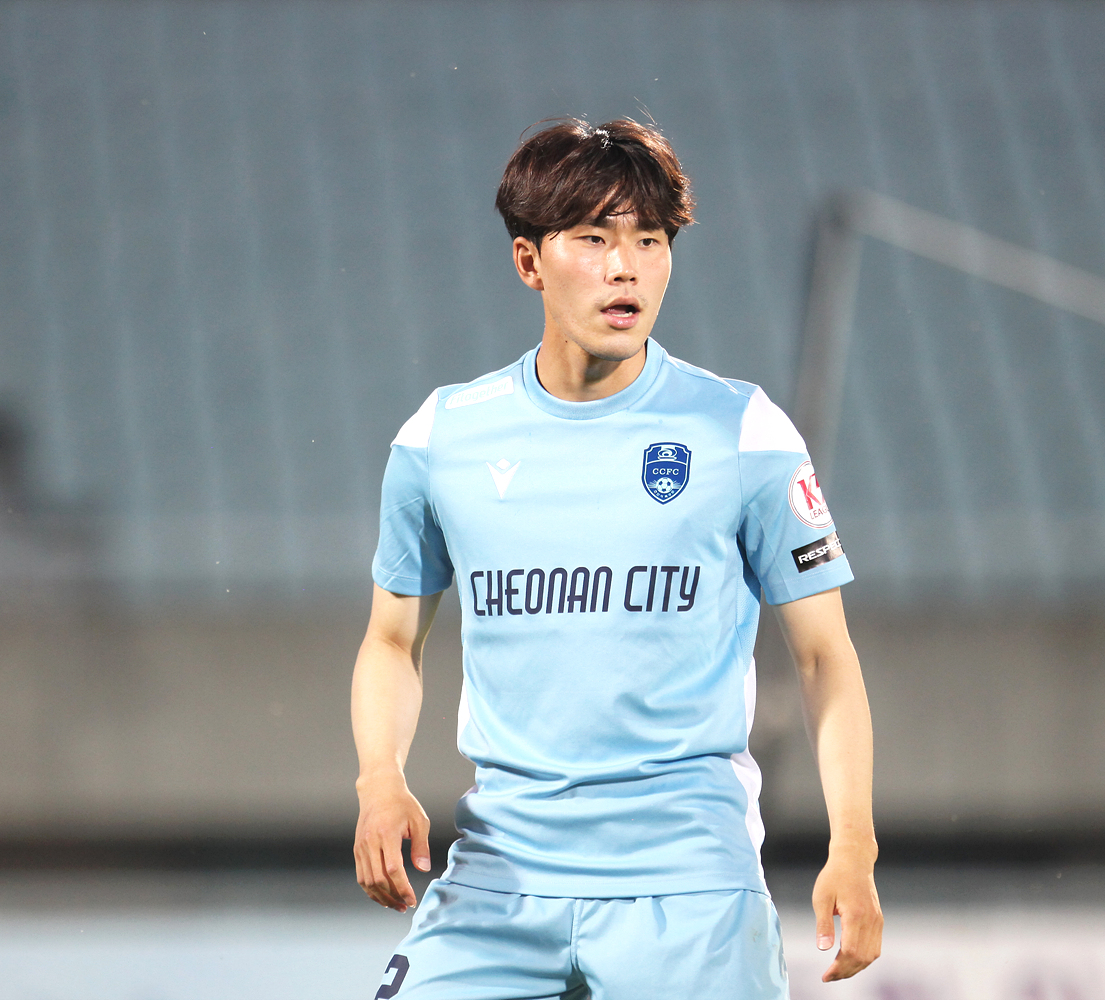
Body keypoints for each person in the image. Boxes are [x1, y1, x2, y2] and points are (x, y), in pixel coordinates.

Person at [353, 117, 881, 999]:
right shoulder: (441, 438)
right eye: (594, 239)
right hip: (499, 881)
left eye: (649, 240)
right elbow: (390, 641)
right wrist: (380, 779)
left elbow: (826, 658)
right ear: (529, 261)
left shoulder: (744, 433)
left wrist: (853, 846)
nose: (625, 267)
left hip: (691, 893)